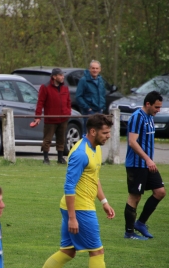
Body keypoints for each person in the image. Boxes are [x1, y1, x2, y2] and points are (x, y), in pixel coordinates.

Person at [42, 114, 115, 268]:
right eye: (105, 133)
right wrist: (72, 218)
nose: (108, 136)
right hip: (80, 209)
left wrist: (104, 201)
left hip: (78, 207)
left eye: (109, 132)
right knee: (97, 251)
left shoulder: (95, 148)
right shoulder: (80, 153)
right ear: (93, 132)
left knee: (68, 251)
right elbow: (69, 186)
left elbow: (94, 178)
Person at [124, 91, 166, 240]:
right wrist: (148, 159)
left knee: (160, 192)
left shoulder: (149, 117)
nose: (158, 110)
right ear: (148, 104)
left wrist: (149, 161)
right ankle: (129, 232)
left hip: (148, 164)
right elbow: (132, 142)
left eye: (160, 107)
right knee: (135, 197)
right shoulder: (137, 117)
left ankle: (140, 223)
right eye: (156, 107)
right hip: (137, 164)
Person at [32, 68, 71, 165]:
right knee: (47, 139)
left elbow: (68, 101)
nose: (63, 77)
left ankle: (60, 158)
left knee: (61, 139)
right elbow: (40, 103)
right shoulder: (45, 87)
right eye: (60, 75)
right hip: (50, 119)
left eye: (63, 75)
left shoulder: (65, 87)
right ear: (54, 76)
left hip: (63, 118)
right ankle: (46, 158)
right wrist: (38, 117)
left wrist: (68, 112)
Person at [76, 60, 106, 135]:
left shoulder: (101, 80)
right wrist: (87, 108)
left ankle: (95, 147)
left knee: (98, 133)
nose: (95, 70)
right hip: (89, 112)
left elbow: (103, 94)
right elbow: (78, 96)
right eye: (93, 68)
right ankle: (85, 146)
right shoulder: (83, 80)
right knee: (88, 133)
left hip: (99, 111)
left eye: (96, 68)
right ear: (89, 69)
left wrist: (102, 107)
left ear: (100, 69)